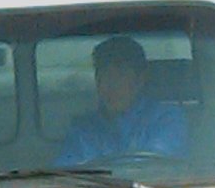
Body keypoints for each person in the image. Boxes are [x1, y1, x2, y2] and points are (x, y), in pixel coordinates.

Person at [57, 34, 192, 168]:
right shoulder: (83, 129)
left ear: (140, 80)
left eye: (121, 74)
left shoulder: (167, 119)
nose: (111, 85)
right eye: (104, 75)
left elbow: (156, 169)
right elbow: (64, 173)